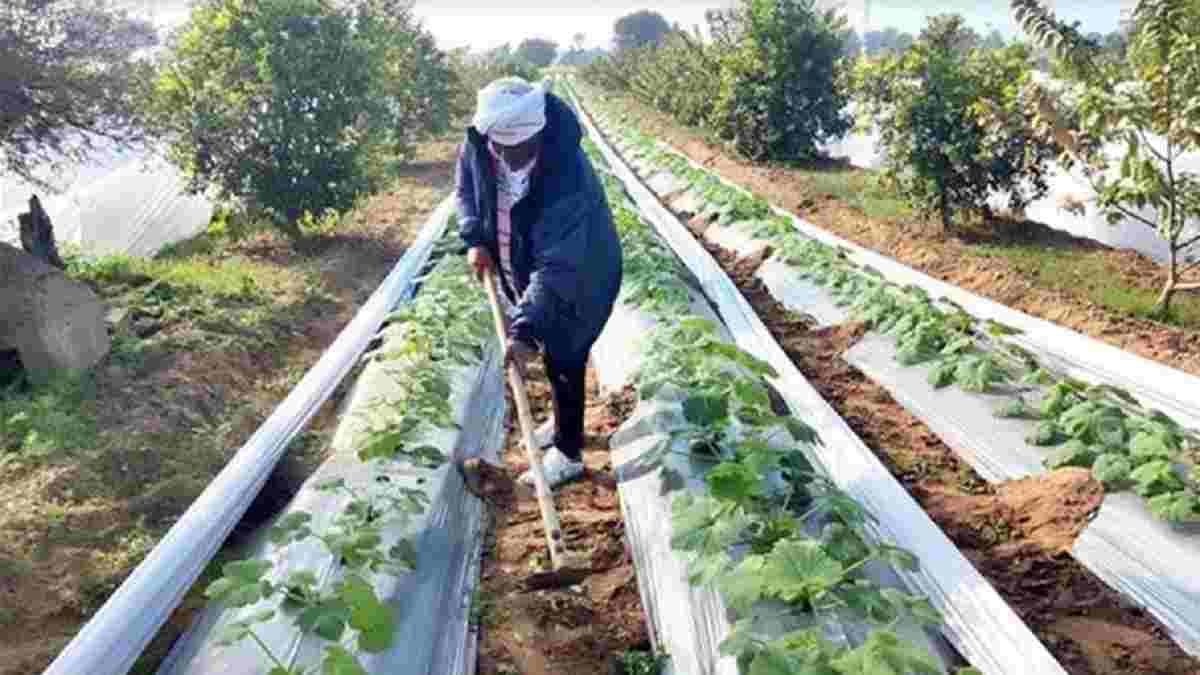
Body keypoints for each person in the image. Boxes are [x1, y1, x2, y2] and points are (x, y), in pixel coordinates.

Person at [455, 77, 623, 489]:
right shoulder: (480, 143)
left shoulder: (567, 172)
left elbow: (560, 267)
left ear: (539, 135)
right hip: (524, 260)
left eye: (522, 150)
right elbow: (467, 192)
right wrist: (476, 238)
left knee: (566, 351)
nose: (511, 159)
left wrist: (524, 328)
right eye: (504, 149)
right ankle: (561, 424)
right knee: (553, 352)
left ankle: (568, 453)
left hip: (584, 270)